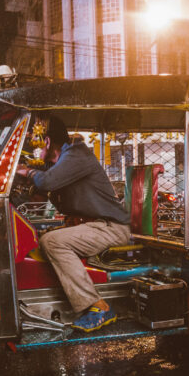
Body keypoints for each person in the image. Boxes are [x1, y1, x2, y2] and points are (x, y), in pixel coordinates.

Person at [18, 117, 131, 332]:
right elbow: (41, 190)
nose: (34, 148)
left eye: (36, 141)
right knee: (33, 239)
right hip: (93, 227)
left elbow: (47, 181)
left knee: (52, 242)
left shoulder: (76, 155)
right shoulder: (57, 163)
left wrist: (27, 172)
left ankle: (98, 306)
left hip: (111, 227)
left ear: (48, 142)